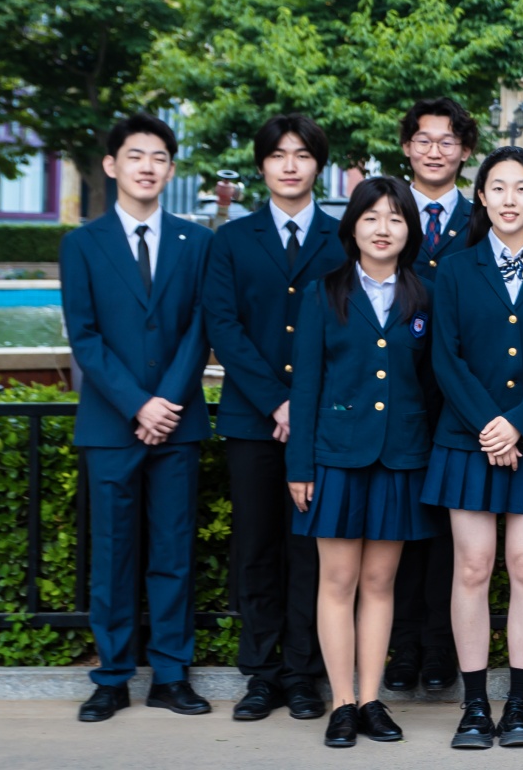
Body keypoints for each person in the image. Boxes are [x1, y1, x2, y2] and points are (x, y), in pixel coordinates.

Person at [424, 146, 523, 749]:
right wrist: (490, 426)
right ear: (481, 196)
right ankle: (473, 706)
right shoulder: (454, 270)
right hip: (466, 439)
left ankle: (519, 705)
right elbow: (446, 357)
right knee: (471, 566)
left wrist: (518, 424)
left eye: (522, 188)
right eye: (498, 187)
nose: (510, 199)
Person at [65, 113, 215, 722]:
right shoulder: (82, 244)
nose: (147, 167)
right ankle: (112, 677)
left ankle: (171, 676)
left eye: (158, 157)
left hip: (178, 424)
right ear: (112, 165)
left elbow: (200, 328)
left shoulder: (196, 242)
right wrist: (137, 403)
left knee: (173, 553)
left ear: (171, 169)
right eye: (135, 155)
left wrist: (166, 403)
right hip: (110, 426)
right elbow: (85, 337)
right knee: (113, 555)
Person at [285, 176, 439, 747]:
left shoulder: (424, 295)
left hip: (399, 457)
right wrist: (300, 466)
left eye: (395, 218)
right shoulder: (324, 293)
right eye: (371, 217)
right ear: (352, 227)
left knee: (379, 582)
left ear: (409, 230)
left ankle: (372, 699)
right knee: (338, 581)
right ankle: (342, 704)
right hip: (336, 458)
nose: (382, 228)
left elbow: (431, 383)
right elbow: (306, 385)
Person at [203, 114, 340, 723]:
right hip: (252, 422)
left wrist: (303, 407)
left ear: (318, 165)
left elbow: (349, 332)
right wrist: (276, 401)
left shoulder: (341, 240)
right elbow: (223, 327)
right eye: (278, 154)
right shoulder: (231, 240)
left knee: (311, 549)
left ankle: (304, 673)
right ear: (261, 165)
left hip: (321, 425)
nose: (290, 165)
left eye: (302, 154)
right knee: (256, 547)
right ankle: (261, 674)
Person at [385, 97, 476, 694]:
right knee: (399, 525)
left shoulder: (482, 216)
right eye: (424, 140)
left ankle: (440, 648)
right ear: (407, 147)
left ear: (465, 152)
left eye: (447, 141)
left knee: (452, 535)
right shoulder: (386, 217)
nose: (435, 151)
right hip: (397, 395)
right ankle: (403, 647)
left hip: (463, 400)